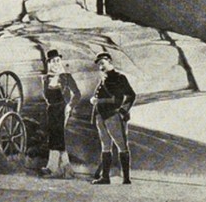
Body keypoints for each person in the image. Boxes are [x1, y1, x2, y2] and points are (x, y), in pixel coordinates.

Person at [90, 52, 136, 185]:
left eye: (102, 63)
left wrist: (123, 111)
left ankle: (126, 178)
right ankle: (105, 177)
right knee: (105, 146)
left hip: (112, 116)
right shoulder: (103, 79)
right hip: (101, 116)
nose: (100, 66)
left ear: (110, 62)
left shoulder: (119, 78)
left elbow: (131, 95)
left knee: (122, 146)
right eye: (99, 64)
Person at [40, 49, 81, 178]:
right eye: (53, 61)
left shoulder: (66, 77)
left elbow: (77, 94)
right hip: (51, 109)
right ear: (49, 63)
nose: (56, 63)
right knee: (55, 137)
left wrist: (70, 106)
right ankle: (65, 168)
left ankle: (53, 168)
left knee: (57, 136)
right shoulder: (46, 79)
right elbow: (46, 96)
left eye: (58, 60)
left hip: (62, 109)